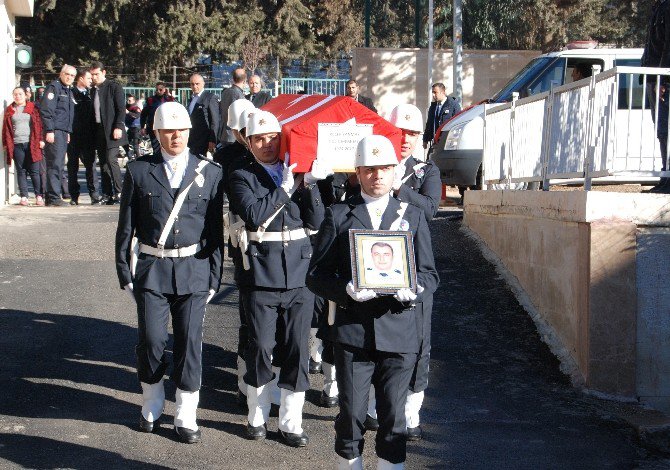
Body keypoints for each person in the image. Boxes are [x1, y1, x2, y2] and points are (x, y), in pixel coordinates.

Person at [307, 134, 439, 470]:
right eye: (369, 169)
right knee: (351, 415)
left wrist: (417, 288)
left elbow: (430, 274)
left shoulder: (413, 216)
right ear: (358, 173)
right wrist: (345, 290)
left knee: (394, 419)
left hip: (400, 332)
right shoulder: (339, 215)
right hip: (353, 333)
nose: (377, 175)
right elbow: (315, 276)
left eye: (384, 168)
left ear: (395, 171)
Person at [115, 101, 224, 444]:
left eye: (180, 130)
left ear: (189, 132)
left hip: (193, 269)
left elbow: (214, 233)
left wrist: (215, 276)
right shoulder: (138, 171)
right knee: (151, 340)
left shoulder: (211, 172)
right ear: (156, 133)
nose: (175, 136)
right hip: (153, 268)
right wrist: (124, 271)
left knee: (190, 342)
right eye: (168, 130)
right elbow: (126, 228)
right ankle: (152, 400)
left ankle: (186, 412)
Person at [228, 110, 326, 447]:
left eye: (272, 138)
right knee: (260, 347)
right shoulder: (241, 176)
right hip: (261, 274)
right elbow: (254, 216)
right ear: (249, 142)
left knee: (297, 350)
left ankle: (290, 422)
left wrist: (310, 186)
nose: (267, 144)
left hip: (299, 275)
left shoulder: (296, 172)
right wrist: (286, 189)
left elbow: (315, 222)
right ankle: (257, 414)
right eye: (259, 139)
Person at [362, 103, 442, 441]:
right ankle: (369, 408)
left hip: (413, 268)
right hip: (369, 267)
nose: (406, 139)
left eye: (412, 133)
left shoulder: (426, 172)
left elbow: (431, 209)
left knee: (418, 343)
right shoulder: (371, 167)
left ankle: (410, 412)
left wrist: (398, 188)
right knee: (368, 339)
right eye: (400, 132)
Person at [642, 0, 670, 194]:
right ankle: (665, 176)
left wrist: (664, 80)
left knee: (667, 130)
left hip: (663, 80)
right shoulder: (658, 8)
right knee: (662, 132)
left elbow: (669, 45)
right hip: (653, 78)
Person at [90, 61, 128, 205]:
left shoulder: (114, 86)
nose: (94, 77)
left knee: (112, 159)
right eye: (92, 74)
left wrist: (118, 126)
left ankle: (120, 191)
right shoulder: (93, 90)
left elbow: (120, 108)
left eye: (97, 74)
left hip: (113, 129)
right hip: (99, 130)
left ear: (104, 72)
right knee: (104, 163)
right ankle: (107, 194)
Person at [39, 64, 76, 206]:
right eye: (67, 74)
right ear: (61, 73)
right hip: (54, 131)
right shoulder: (54, 88)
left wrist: (67, 132)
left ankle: (51, 196)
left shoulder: (67, 90)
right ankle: (54, 197)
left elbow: (67, 114)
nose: (69, 77)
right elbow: (46, 111)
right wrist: (49, 130)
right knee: (55, 164)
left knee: (59, 164)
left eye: (72, 75)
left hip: (62, 131)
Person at [2, 86, 45, 206]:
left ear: (25, 95)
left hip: (32, 143)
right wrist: (6, 143)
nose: (18, 96)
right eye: (15, 94)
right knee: (21, 171)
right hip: (17, 144)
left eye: (20, 94)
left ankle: (39, 196)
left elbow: (39, 125)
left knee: (35, 171)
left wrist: (41, 140)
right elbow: (5, 129)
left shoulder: (33, 108)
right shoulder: (10, 110)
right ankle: (24, 196)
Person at [68, 69, 102, 205]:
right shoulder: (71, 93)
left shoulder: (92, 93)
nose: (91, 80)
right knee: (72, 167)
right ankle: (74, 196)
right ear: (81, 79)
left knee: (91, 167)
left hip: (88, 136)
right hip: (74, 135)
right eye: (88, 78)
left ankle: (94, 195)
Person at [187, 73, 221, 156]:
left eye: (197, 84)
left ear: (203, 83)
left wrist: (212, 140)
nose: (195, 86)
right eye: (192, 84)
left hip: (204, 140)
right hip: (191, 139)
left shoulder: (210, 97)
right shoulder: (191, 98)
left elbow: (215, 120)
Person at [423, 82, 460, 152]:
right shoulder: (433, 106)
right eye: (432, 92)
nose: (433, 95)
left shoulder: (453, 105)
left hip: (447, 144)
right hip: (435, 143)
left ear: (442, 92)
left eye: (435, 92)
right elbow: (429, 124)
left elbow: (457, 124)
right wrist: (425, 140)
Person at [140, 82, 175, 155]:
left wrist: (170, 96)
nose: (158, 91)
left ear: (164, 90)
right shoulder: (150, 100)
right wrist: (142, 127)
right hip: (154, 127)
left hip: (167, 128)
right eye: (157, 89)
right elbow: (143, 114)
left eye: (160, 89)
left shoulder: (169, 100)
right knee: (156, 149)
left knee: (167, 148)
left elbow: (177, 109)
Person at [218, 68, 247, 147]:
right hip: (235, 137)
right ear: (245, 80)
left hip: (224, 134)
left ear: (233, 79)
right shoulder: (239, 95)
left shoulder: (225, 92)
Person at [124, 94, 142, 160]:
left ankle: (138, 159)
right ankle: (129, 156)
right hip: (130, 128)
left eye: (130, 100)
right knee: (125, 142)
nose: (128, 101)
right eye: (127, 100)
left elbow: (137, 115)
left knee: (135, 146)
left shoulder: (136, 108)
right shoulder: (126, 107)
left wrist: (128, 112)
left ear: (134, 101)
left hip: (136, 128)